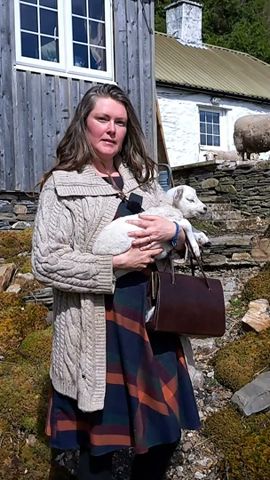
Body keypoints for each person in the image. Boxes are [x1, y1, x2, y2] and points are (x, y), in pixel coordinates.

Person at [32, 84, 200, 480]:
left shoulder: (142, 180)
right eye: (102, 119)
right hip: (96, 328)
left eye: (120, 122)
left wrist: (173, 232)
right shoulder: (61, 185)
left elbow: (184, 248)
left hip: (153, 321)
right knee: (100, 450)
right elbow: (46, 261)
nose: (111, 129)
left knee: (165, 433)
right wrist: (115, 263)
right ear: (84, 125)